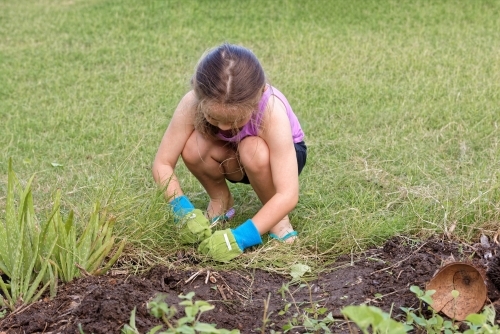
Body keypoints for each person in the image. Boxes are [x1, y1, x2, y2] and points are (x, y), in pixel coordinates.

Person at [152, 43, 307, 262]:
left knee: (252, 148)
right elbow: (162, 164)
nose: (224, 128)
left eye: (236, 120)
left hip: (274, 160)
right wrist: (182, 211)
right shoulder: (192, 103)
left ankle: (278, 221)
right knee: (192, 146)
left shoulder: (271, 111)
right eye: (214, 119)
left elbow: (288, 193)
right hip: (233, 156)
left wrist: (241, 237)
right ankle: (220, 201)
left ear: (258, 96)